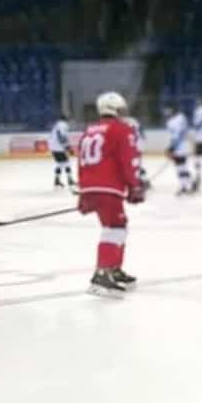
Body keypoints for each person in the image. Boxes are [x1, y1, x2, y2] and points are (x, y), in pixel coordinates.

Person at [76, 91, 145, 297]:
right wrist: (135, 186)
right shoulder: (122, 129)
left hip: (91, 186)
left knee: (116, 227)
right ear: (116, 109)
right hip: (108, 187)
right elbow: (127, 160)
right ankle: (102, 275)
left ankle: (113, 269)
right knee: (114, 228)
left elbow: (81, 162)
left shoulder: (88, 131)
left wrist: (83, 193)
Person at [164, 105, 194, 194]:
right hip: (184, 146)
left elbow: (176, 136)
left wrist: (171, 148)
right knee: (183, 167)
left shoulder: (172, 122)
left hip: (179, 147)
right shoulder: (182, 118)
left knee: (180, 167)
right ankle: (189, 184)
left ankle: (184, 186)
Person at [48, 113, 76, 188]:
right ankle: (70, 180)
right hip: (59, 147)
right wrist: (68, 147)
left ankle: (57, 180)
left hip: (53, 147)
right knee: (67, 163)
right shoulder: (63, 125)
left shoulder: (56, 125)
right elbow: (62, 136)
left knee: (59, 163)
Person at [123, 114, 150, 188]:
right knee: (137, 164)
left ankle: (139, 182)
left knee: (134, 165)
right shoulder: (133, 120)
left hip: (134, 144)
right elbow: (141, 132)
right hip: (139, 144)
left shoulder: (122, 121)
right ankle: (144, 181)